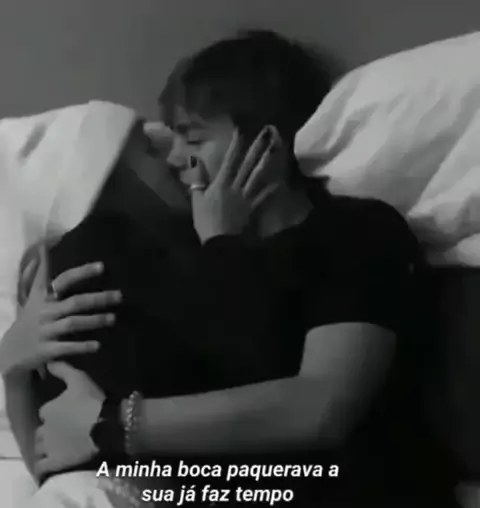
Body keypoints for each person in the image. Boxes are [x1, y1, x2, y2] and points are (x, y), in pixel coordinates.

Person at [0, 30, 458, 507]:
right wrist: (14, 366)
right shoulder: (168, 260)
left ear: (265, 144)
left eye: (193, 137)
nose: (175, 157)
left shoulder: (357, 231)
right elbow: (61, 465)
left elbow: (321, 407)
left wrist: (109, 422)